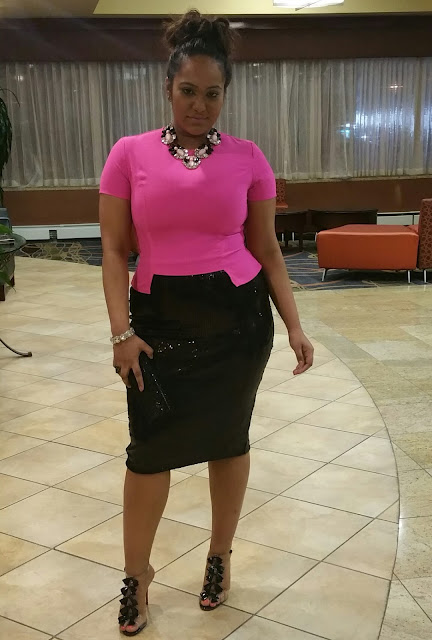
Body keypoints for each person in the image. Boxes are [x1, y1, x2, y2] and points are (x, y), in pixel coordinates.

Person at [99, 9, 314, 636]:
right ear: (168, 88)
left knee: (228, 440)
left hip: (237, 320)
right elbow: (113, 249)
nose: (200, 106)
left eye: (212, 94)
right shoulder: (128, 154)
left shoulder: (248, 157)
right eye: (188, 91)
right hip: (158, 319)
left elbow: (267, 249)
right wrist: (121, 333)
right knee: (148, 453)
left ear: (226, 94)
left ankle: (219, 556)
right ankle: (136, 573)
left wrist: (294, 326)